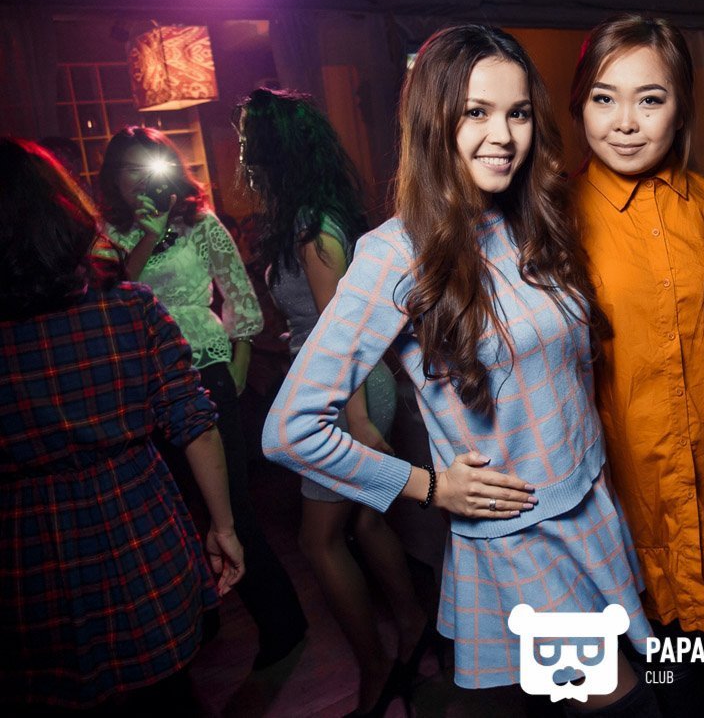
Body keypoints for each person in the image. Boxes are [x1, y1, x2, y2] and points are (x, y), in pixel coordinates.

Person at [262, 25, 657, 715]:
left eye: (517, 112)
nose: (502, 135)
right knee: (623, 705)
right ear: (432, 121)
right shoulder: (394, 253)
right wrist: (428, 486)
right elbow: (291, 429)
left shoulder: (533, 219)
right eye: (476, 112)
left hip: (590, 503)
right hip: (521, 540)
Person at [567, 14, 704, 714]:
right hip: (630, 513)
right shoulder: (553, 220)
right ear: (579, 104)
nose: (625, 122)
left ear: (681, 106)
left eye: (650, 98)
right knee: (662, 687)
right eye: (604, 98)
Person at [0, 138, 245, 715]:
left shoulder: (177, 249)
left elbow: (238, 307)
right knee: (164, 693)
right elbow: (193, 423)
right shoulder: (127, 306)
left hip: (27, 543)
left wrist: (236, 370)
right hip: (134, 518)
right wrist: (224, 527)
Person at [236, 87, 432, 716]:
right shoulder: (308, 218)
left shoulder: (313, 229)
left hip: (344, 398)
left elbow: (340, 335)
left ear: (275, 149)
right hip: (344, 393)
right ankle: (412, 633)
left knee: (318, 541)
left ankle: (376, 666)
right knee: (367, 522)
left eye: (247, 138)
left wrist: (357, 423)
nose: (241, 151)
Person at [96, 127, 307, 670]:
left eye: (148, 166)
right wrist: (147, 237)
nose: (139, 179)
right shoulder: (106, 237)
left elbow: (239, 295)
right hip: (143, 383)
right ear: (112, 178)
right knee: (178, 508)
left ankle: (282, 622)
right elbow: (112, 302)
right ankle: (201, 619)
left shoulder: (201, 223)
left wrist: (238, 365)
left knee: (229, 505)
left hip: (205, 369)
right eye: (127, 169)